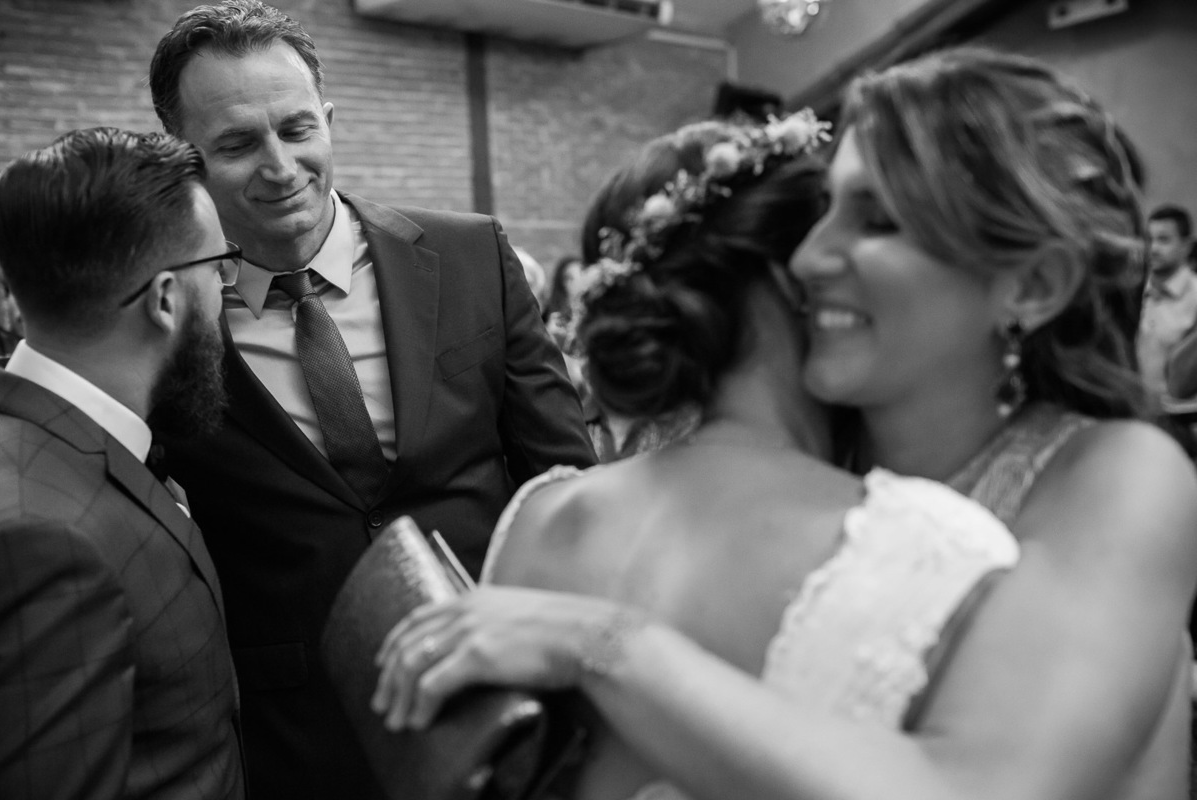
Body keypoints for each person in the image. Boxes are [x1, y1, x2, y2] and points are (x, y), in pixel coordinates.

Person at [372, 48, 1197, 800]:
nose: (806, 258)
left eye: (876, 220)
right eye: (825, 209)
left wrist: (604, 642)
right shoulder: (818, 472)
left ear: (1032, 287)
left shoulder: (1119, 474)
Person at [146, 2, 595, 797]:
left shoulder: (468, 254)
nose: (280, 166)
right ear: (187, 161)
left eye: (297, 129)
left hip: (508, 708)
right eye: (238, 144)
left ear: (329, 121)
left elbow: (565, 483)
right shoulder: (170, 320)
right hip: (300, 741)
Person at [0, 128, 244, 799]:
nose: (226, 289)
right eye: (219, 265)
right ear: (164, 299)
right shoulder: (45, 544)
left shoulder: (59, 447)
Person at [1137, 204, 1197, 402]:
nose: (1153, 248)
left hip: (1181, 415)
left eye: (1163, 240)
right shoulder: (1133, 292)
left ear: (1187, 246)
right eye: (1149, 239)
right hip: (1133, 411)